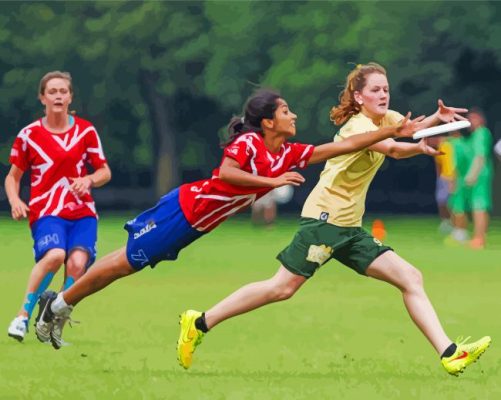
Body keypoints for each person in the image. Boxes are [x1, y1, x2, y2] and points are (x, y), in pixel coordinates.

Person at [35, 88, 423, 350]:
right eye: (286, 111)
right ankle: (59, 304)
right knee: (124, 263)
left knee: (126, 263)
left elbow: (346, 144)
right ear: (268, 121)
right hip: (184, 211)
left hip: (197, 224)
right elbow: (226, 174)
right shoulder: (250, 143)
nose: (295, 115)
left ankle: (61, 303)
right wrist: (270, 180)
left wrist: (395, 131)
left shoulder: (288, 152)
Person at [178, 64, 491, 376]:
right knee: (281, 288)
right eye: (375, 90)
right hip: (325, 221)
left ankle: (449, 353)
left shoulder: (387, 118)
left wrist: (438, 120)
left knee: (410, 277)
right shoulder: (357, 127)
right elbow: (393, 147)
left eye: (386, 89)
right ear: (358, 96)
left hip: (350, 228)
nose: (383, 95)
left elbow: (410, 130)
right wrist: (417, 148)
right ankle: (201, 321)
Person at [6, 71, 111, 342]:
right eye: (52, 91)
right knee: (54, 256)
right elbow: (13, 176)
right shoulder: (29, 135)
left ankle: (53, 319)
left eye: (63, 91)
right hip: (47, 210)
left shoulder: (85, 131)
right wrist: (16, 200)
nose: (58, 96)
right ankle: (23, 316)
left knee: (77, 264)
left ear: (70, 97)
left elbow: (104, 171)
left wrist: (88, 180)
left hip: (82, 211)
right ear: (42, 98)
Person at [464, 108, 493, 249]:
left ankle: (479, 238)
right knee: (479, 205)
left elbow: (480, 156)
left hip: (480, 174)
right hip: (480, 173)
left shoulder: (481, 133)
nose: (471, 122)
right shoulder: (476, 135)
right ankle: (480, 236)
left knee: (479, 206)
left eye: (474, 118)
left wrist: (472, 174)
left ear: (481, 119)